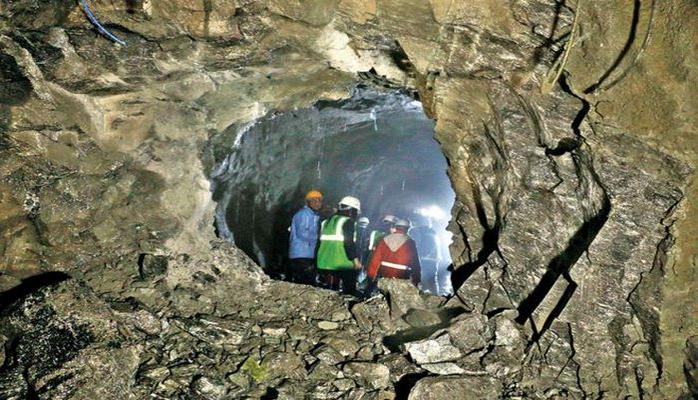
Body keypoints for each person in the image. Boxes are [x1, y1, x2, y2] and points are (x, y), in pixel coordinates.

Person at [316, 196, 362, 295]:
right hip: (341, 263)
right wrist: (355, 261)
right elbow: (349, 243)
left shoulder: (326, 221)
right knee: (349, 289)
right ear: (351, 210)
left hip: (323, 262)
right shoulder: (348, 222)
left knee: (330, 291)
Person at [366, 218, 421, 287]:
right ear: (407, 229)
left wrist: (370, 276)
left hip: (384, 273)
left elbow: (375, 259)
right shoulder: (410, 242)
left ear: (396, 227)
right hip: (402, 275)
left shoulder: (384, 239)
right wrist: (416, 279)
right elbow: (415, 263)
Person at [287, 190, 323, 285]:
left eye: (319, 200)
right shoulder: (303, 214)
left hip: (308, 254)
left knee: (308, 282)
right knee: (304, 282)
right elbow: (302, 234)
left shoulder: (314, 215)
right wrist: (319, 239)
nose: (317, 202)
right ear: (308, 202)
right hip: (301, 254)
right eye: (314, 200)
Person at [409, 215, 441, 294]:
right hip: (434, 259)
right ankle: (436, 297)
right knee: (432, 281)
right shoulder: (432, 231)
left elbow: (414, 244)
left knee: (416, 279)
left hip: (422, 259)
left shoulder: (416, 230)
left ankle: (417, 297)